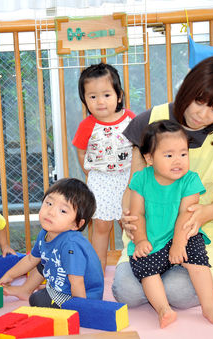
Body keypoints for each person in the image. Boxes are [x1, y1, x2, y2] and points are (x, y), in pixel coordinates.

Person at [112, 56, 213, 309]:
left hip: (199, 229)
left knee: (179, 293)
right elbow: (133, 185)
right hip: (152, 228)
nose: (202, 115)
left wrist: (203, 213)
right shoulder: (151, 120)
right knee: (126, 292)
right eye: (199, 102)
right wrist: (129, 218)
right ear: (187, 90)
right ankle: (164, 273)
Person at [128, 120, 213, 328]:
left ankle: (208, 306)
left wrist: (179, 244)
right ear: (149, 158)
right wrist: (141, 240)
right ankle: (164, 310)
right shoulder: (141, 179)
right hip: (153, 238)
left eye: (183, 154)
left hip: (181, 235)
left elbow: (185, 215)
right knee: (145, 268)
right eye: (169, 155)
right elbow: (136, 213)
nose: (178, 161)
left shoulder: (190, 180)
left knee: (198, 260)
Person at [0, 178, 104, 308]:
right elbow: (31, 259)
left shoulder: (71, 245)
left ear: (77, 224)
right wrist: (9, 275)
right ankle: (25, 289)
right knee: (43, 260)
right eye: (49, 203)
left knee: (38, 300)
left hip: (82, 294)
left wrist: (81, 308)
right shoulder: (46, 232)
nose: (51, 212)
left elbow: (77, 282)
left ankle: (54, 294)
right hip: (65, 279)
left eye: (63, 211)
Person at [72, 62, 135, 273]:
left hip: (128, 178)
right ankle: (97, 270)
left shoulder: (130, 119)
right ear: (85, 100)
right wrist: (88, 172)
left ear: (119, 96)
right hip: (100, 180)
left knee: (129, 223)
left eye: (106, 95)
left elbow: (140, 147)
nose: (100, 101)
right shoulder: (87, 125)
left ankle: (135, 265)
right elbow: (81, 151)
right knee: (100, 225)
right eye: (92, 96)